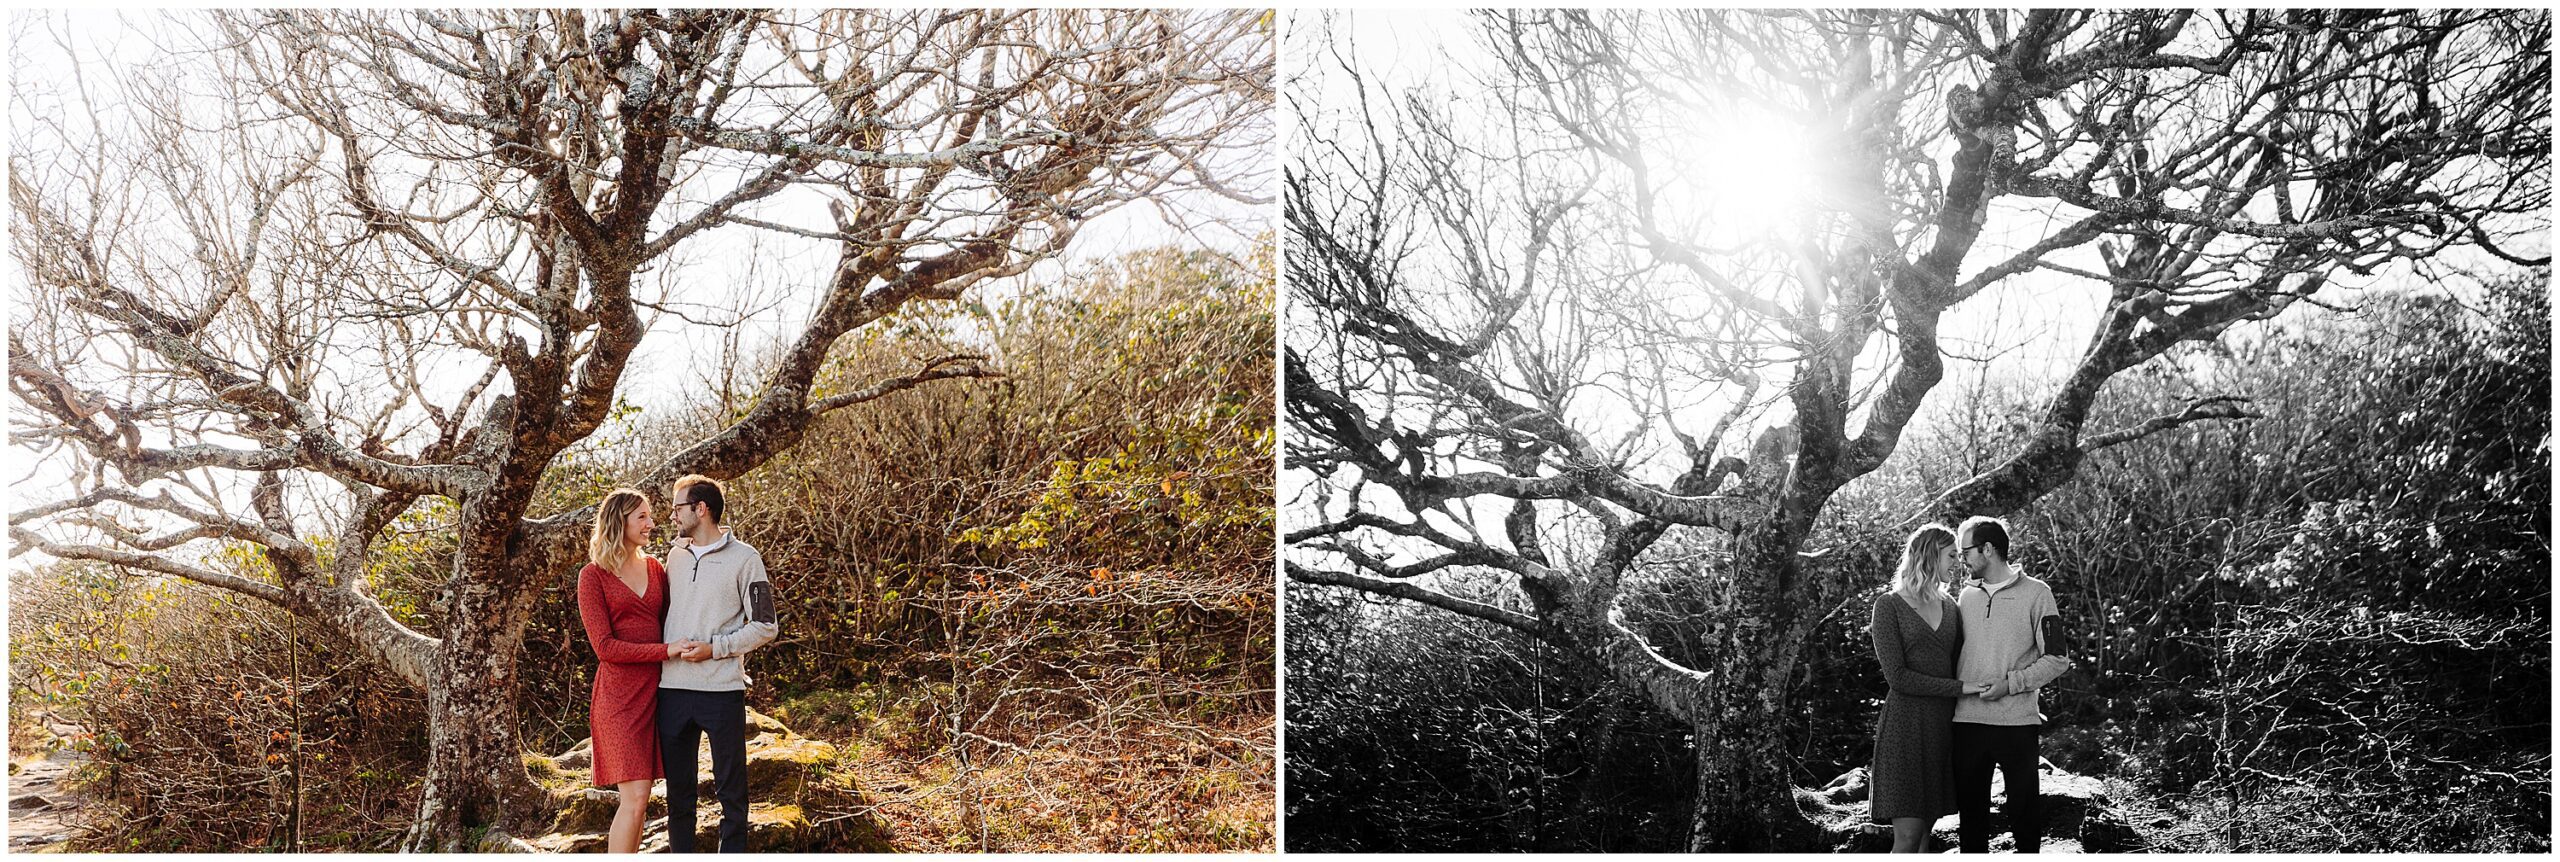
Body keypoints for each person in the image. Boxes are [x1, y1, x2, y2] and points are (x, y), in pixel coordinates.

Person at [575, 488, 702, 854]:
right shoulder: (592, 576)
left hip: (661, 691)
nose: (651, 523)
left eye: (651, 516)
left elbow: (674, 618)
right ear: (620, 522)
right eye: (642, 517)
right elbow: (605, 648)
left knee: (643, 801)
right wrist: (665, 651)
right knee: (634, 797)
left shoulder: (655, 568)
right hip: (619, 698)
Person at [659, 474, 779, 852]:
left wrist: (716, 648)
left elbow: (766, 625)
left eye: (678, 507)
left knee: (732, 794)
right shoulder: (674, 556)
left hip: (721, 691)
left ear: (701, 509)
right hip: (672, 690)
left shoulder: (746, 558)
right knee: (679, 799)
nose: (672, 515)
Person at [1950, 515, 2072, 853]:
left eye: (1967, 552)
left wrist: (2011, 684)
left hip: (2016, 723)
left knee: (2024, 816)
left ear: (1988, 549)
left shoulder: (2038, 594)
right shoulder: (1965, 597)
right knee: (1972, 821)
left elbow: (2057, 658)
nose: (1963, 560)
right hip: (1967, 722)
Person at [1868, 524, 1964, 852]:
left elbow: (1959, 661)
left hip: (1943, 729)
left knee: (1925, 838)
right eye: (1951, 555)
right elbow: (1898, 678)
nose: (1957, 563)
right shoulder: (1888, 606)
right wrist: (1961, 688)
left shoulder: (1952, 606)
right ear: (1930, 554)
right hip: (1905, 729)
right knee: (1907, 839)